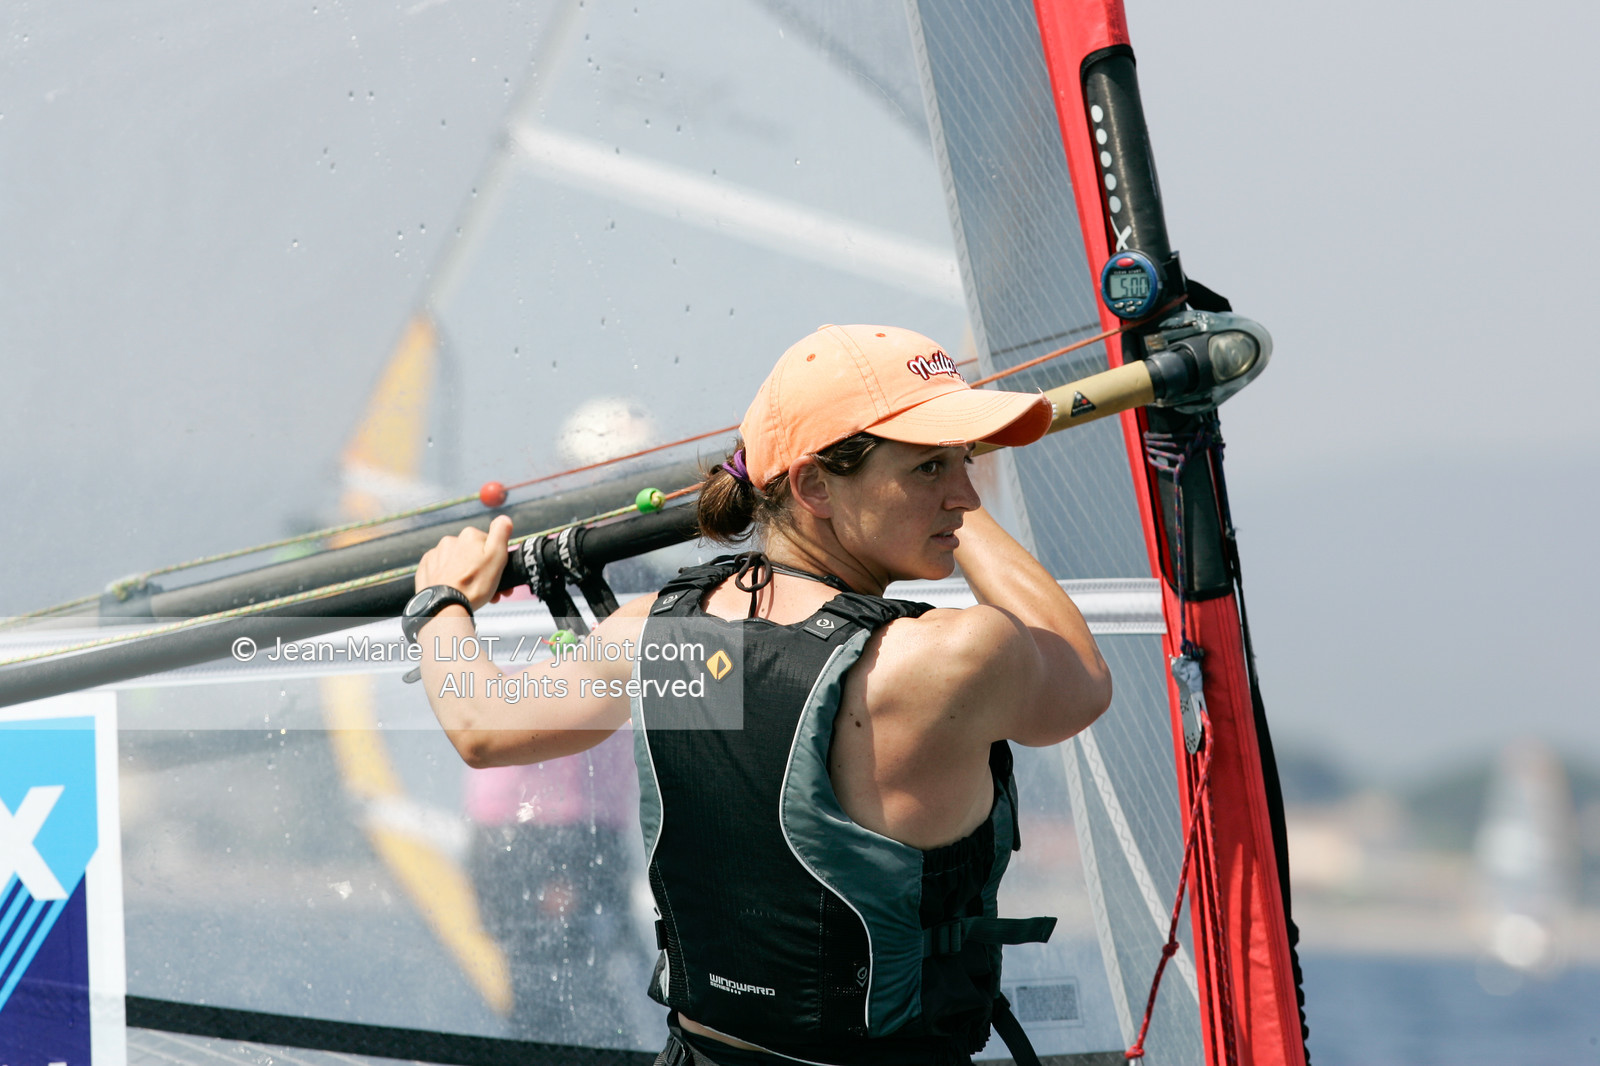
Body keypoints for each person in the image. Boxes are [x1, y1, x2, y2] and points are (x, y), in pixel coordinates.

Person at [409, 324, 1112, 1065]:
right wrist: (964, 524)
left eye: (965, 465)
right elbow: (1082, 683)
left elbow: (478, 720)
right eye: (932, 468)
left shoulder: (674, 642)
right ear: (812, 485)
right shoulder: (950, 657)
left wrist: (441, 603)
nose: (965, 495)